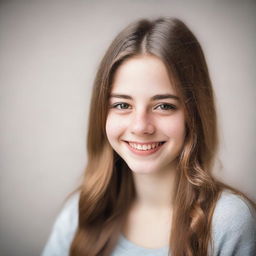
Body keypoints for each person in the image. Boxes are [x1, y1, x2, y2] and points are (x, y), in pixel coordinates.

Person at [42, 17, 256, 256]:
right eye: (122, 105)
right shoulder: (81, 213)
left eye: (164, 106)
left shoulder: (228, 222)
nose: (141, 126)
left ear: (193, 115)